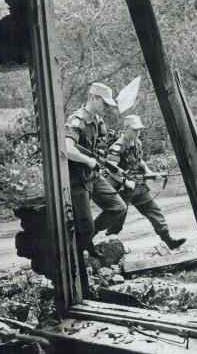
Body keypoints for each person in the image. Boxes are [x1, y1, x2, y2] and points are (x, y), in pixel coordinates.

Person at [65, 82, 127, 296]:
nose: (106, 107)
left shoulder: (99, 122)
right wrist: (88, 160)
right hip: (77, 180)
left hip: (94, 176)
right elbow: (67, 148)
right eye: (103, 102)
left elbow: (99, 151)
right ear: (92, 97)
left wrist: (110, 166)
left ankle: (87, 241)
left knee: (118, 207)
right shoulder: (77, 120)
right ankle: (71, 268)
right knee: (84, 228)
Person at [105, 115, 186, 250]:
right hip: (122, 189)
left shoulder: (137, 143)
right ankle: (108, 246)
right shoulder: (118, 147)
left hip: (138, 186)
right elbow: (111, 168)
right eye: (135, 129)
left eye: (139, 130)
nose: (138, 132)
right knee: (117, 222)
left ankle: (168, 240)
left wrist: (151, 173)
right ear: (126, 128)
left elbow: (140, 162)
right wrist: (125, 181)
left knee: (155, 212)